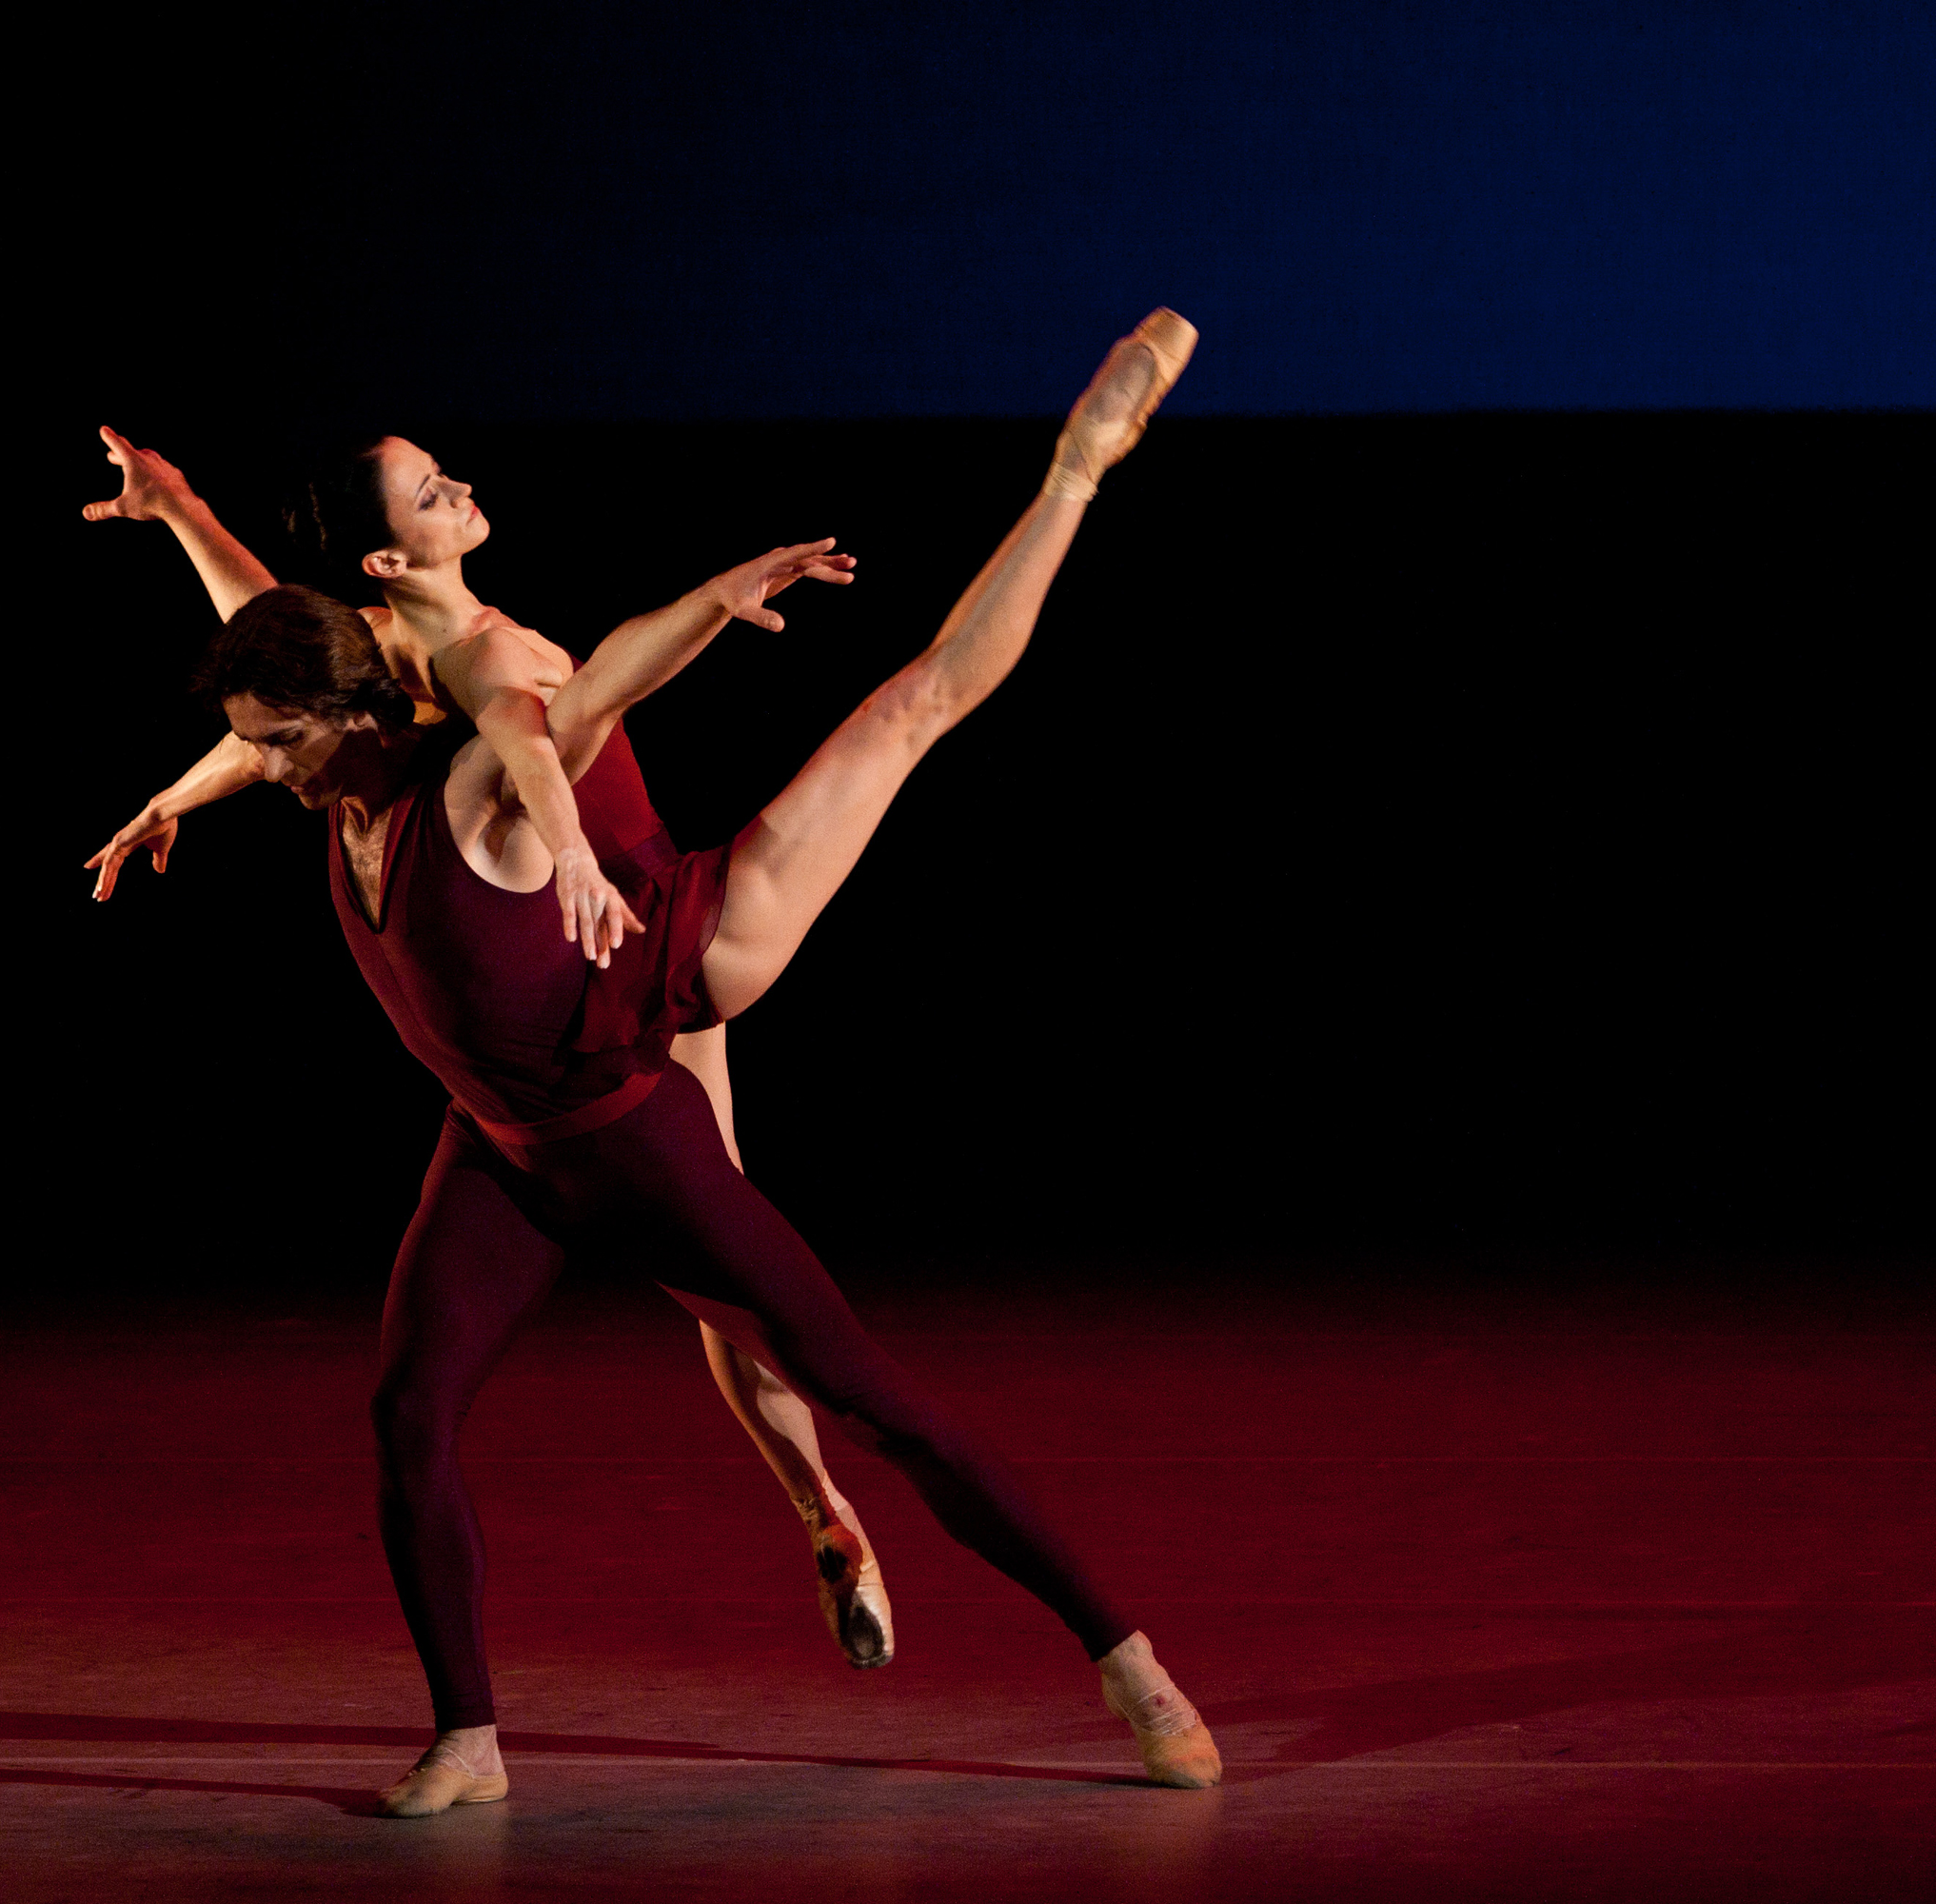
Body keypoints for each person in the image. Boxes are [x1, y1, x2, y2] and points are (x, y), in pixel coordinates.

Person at [94, 312, 1219, 1815]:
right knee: (412, 1411)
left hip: (653, 981)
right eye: (425, 492)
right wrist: (178, 534)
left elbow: (563, 713)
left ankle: (1126, 1659)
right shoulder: (345, 689)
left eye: (275, 749)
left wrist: (629, 731)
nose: (265, 771)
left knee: (854, 1369)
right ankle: (472, 1741)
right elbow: (264, 645)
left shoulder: (462, 700)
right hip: (509, 1127)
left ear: (344, 720)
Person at [81, 429, 898, 1669]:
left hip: (602, 920)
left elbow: (267, 635)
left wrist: (182, 506)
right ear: (382, 551)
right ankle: (828, 1508)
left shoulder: (397, 640)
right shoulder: (470, 648)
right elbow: (523, 716)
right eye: (427, 490)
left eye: (441, 472)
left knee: (722, 1278)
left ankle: (826, 1513)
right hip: (611, 936)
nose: (456, 485)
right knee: (722, 1280)